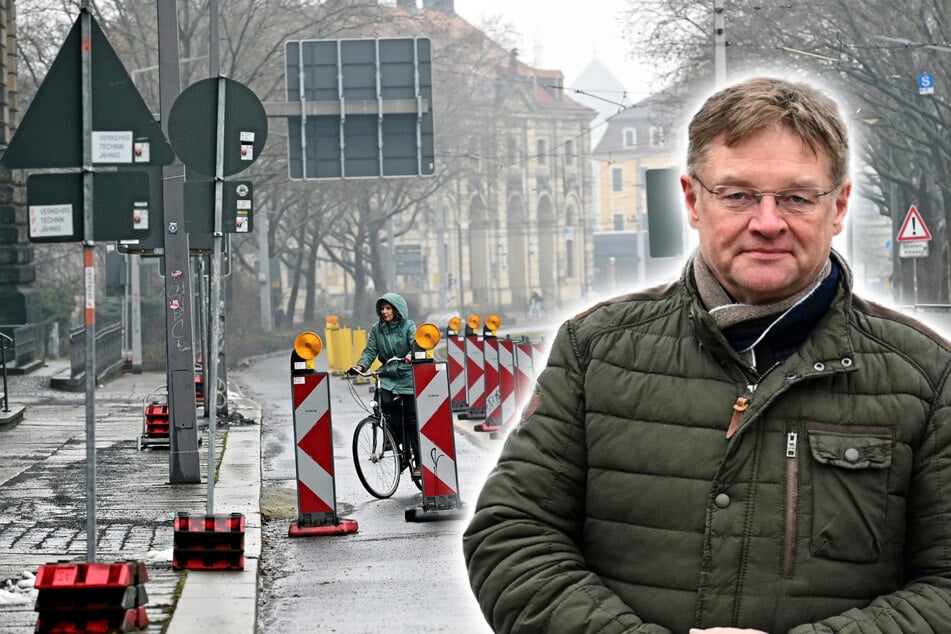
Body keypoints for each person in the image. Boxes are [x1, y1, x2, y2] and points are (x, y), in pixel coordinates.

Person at [463, 77, 951, 633]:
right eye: (738, 194)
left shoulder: (927, 376)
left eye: (795, 196)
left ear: (837, 206)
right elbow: (512, 536)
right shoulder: (595, 350)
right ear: (694, 200)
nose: (767, 222)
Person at [350, 292, 420, 477]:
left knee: (412, 419)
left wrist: (412, 354)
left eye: (388, 308)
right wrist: (361, 365)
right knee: (380, 406)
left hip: (407, 376)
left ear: (397, 310)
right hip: (388, 375)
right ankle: (392, 441)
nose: (384, 312)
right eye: (382, 308)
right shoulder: (377, 329)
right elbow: (370, 350)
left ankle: (419, 462)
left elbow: (416, 342)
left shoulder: (408, 326)